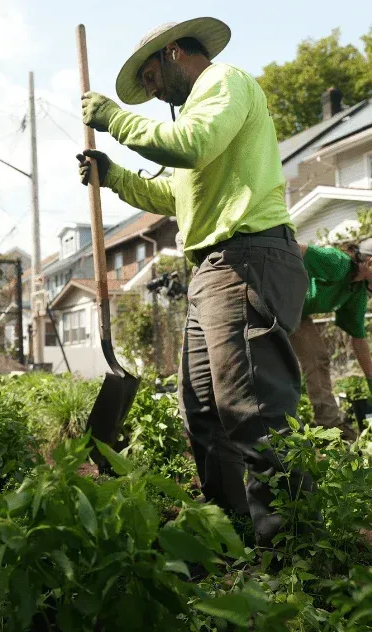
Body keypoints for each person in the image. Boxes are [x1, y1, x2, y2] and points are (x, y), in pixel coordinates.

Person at [77, 18, 312, 546]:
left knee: (251, 410)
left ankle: (293, 551)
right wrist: (111, 175)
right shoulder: (196, 113)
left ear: (175, 54)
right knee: (204, 411)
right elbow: (172, 196)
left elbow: (190, 145)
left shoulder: (223, 86)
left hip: (247, 256)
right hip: (213, 268)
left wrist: (114, 119)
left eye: (153, 81)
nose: (154, 94)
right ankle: (233, 534)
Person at [291, 240, 372, 439]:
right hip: (272, 301)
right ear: (370, 263)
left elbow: (358, 340)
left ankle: (330, 427)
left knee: (318, 358)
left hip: (297, 314)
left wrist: (371, 380)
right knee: (275, 366)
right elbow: (295, 248)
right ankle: (276, 431)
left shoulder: (356, 291)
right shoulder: (337, 263)